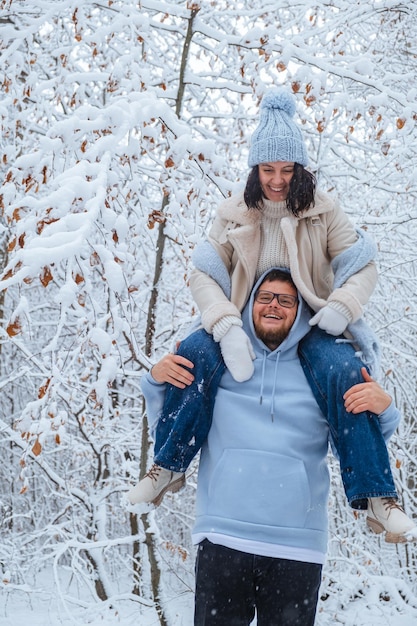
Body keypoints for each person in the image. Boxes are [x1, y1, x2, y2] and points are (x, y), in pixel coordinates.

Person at [128, 87, 415, 538]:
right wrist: (224, 325)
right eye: (267, 169)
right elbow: (203, 273)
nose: (277, 180)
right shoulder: (235, 214)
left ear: (299, 169)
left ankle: (378, 496)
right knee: (194, 353)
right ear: (255, 169)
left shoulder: (324, 212)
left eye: (286, 169)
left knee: (345, 370)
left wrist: (341, 306)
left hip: (312, 323)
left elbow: (363, 265)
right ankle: (167, 464)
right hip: (244, 318)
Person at [138, 269, 415, 625]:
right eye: (265, 297)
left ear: (300, 310)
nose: (274, 306)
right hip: (222, 537)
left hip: (297, 547)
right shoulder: (221, 361)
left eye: (286, 300)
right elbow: (171, 425)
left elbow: (357, 439)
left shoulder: (322, 371)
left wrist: (386, 409)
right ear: (249, 304)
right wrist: (154, 382)